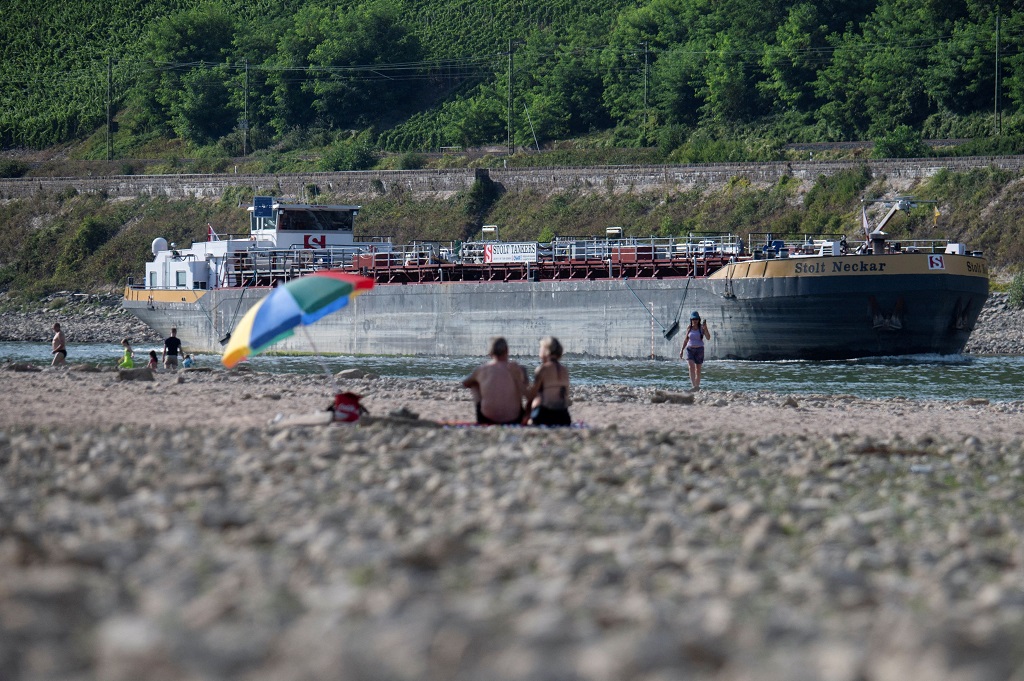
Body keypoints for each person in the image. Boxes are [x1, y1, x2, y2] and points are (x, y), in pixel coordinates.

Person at [462, 337, 528, 425]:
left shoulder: (482, 369)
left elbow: (465, 383)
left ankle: (484, 410)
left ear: (490, 352)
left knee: (474, 384)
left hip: (487, 418)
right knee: (519, 382)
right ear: (507, 350)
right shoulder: (518, 368)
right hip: (514, 418)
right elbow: (527, 388)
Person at [526, 336, 572, 427]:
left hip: (546, 414)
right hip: (564, 416)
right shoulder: (564, 370)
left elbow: (532, 395)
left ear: (546, 350)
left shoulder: (542, 369)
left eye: (541, 348)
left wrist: (527, 414)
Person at [679, 311, 711, 391]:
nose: (695, 320)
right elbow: (686, 339)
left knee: (698, 369)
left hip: (699, 349)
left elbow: (708, 337)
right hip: (690, 349)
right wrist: (682, 350)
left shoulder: (701, 328)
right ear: (691, 320)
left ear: (698, 319)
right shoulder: (689, 328)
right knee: (691, 366)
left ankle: (697, 386)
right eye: (693, 319)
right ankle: (694, 386)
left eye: (696, 319)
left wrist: (706, 328)